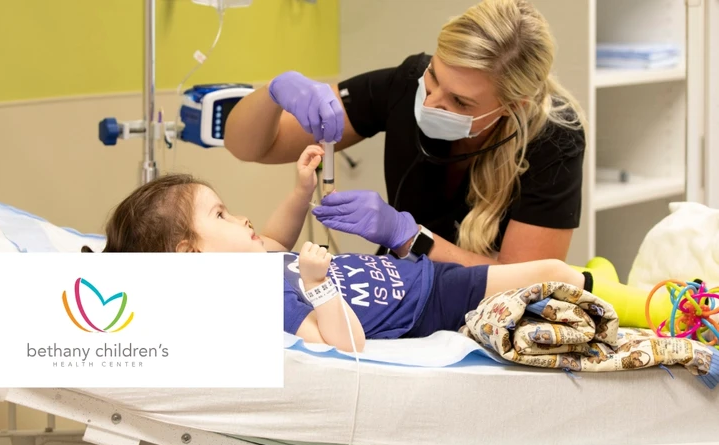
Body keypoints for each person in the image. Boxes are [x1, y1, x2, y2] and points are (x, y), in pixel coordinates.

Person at [85, 145, 601, 354]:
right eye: (220, 216)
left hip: (414, 272)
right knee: (555, 274)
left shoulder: (260, 262)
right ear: (189, 256)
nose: (242, 219)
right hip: (431, 302)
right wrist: (319, 287)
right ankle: (630, 300)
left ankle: (607, 281)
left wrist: (300, 191)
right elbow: (346, 343)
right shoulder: (260, 303)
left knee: (554, 275)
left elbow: (276, 238)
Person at [223, 0, 587, 267]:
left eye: (460, 101)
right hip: (399, 294)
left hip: (479, 316)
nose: (431, 102)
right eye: (434, 76)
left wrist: (409, 236)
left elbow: (525, 282)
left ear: (514, 106)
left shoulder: (553, 138)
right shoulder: (406, 83)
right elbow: (251, 147)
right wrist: (274, 92)